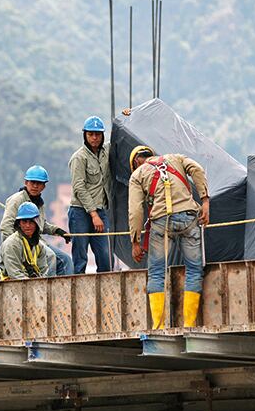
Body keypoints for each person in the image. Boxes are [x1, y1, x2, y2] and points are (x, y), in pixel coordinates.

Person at [127, 145, 210, 329]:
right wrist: (204, 200)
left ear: (135, 162)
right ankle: (189, 324)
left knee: (157, 272)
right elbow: (197, 168)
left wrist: (135, 241)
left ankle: (159, 326)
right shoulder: (175, 157)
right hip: (189, 218)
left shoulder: (138, 174)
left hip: (161, 223)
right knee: (194, 270)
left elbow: (135, 211)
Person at [0, 165, 72, 275]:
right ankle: (46, 288)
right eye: (32, 182)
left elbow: (41, 224)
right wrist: (18, 250)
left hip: (35, 241)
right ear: (26, 183)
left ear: (44, 186)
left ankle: (58, 289)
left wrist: (58, 231)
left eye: (39, 183)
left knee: (65, 260)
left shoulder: (39, 202)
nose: (35, 186)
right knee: (51, 257)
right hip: (20, 243)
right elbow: (6, 227)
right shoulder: (16, 200)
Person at [68, 115, 113, 273]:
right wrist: (94, 215)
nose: (94, 138)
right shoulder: (79, 158)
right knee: (80, 257)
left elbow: (120, 138)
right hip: (81, 211)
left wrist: (127, 114)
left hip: (101, 210)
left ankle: (106, 293)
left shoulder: (106, 152)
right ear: (85, 135)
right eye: (91, 134)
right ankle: (77, 294)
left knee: (105, 256)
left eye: (98, 134)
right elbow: (79, 187)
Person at [0, 202, 53, 280]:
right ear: (19, 224)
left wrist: (40, 285)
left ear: (37, 223)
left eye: (31, 221)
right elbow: (15, 274)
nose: (27, 225)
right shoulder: (11, 245)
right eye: (24, 222)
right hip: (10, 287)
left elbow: (44, 271)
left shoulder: (39, 246)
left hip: (33, 285)